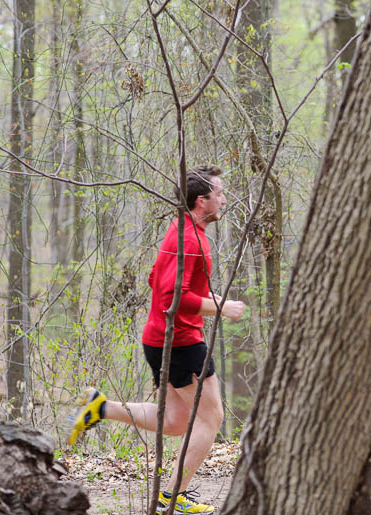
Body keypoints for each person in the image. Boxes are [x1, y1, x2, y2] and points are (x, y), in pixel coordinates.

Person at [67, 164, 246, 513]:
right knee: (211, 418)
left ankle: (100, 407)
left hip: (166, 339)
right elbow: (169, 299)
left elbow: (155, 279)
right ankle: (173, 495)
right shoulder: (190, 241)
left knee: (178, 421)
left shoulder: (180, 231)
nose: (224, 199)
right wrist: (220, 306)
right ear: (201, 200)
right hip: (179, 343)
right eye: (219, 194)